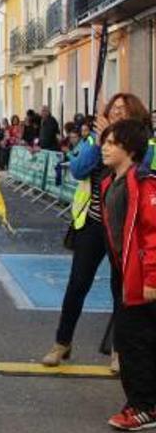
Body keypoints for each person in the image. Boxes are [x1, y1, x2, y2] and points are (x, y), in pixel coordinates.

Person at [41, 93, 150, 369]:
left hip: (126, 229)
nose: (117, 114)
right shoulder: (97, 139)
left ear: (135, 113)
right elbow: (77, 169)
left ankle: (119, 350)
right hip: (92, 224)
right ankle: (62, 343)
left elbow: (144, 173)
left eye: (123, 110)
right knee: (77, 284)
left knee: (121, 290)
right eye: (113, 109)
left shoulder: (145, 143)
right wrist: (99, 141)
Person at [97, 119, 156, 431]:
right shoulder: (110, 182)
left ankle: (143, 408)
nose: (104, 146)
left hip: (142, 281)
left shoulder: (143, 183)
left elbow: (153, 234)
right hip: (126, 276)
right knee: (132, 341)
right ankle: (143, 404)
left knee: (135, 344)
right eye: (104, 141)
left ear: (130, 149)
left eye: (112, 142)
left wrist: (150, 279)